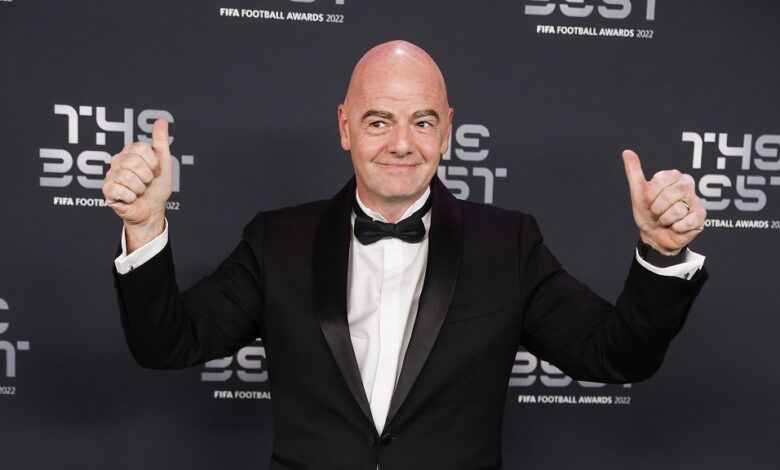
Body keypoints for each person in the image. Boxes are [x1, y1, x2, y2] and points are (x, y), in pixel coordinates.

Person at [102, 40, 707, 470]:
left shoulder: (508, 244)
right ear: (345, 127)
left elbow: (614, 355)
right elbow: (166, 344)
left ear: (447, 130)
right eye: (378, 121)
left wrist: (661, 253)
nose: (400, 143)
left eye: (421, 121)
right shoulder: (277, 240)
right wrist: (145, 225)